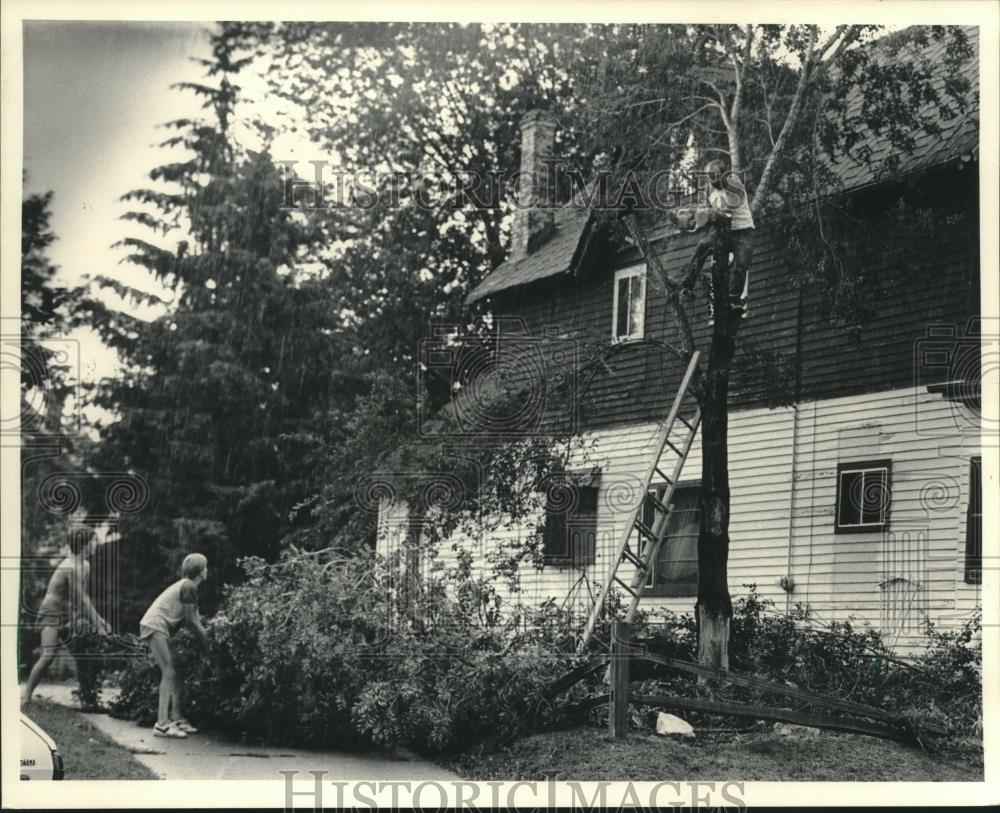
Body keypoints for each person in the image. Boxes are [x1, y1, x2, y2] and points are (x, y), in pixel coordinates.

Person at [21, 529, 112, 705]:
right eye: (94, 541)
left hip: (66, 614)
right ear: (84, 544)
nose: (97, 544)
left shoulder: (85, 565)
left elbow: (82, 599)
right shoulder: (69, 566)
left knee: (82, 654)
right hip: (51, 612)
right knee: (48, 655)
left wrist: (99, 620)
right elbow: (82, 598)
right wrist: (98, 624)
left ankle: (88, 699)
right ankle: (26, 698)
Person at [139, 553, 210, 738]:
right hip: (155, 625)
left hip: (160, 627)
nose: (207, 570)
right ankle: (161, 725)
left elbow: (196, 618)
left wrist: (208, 630)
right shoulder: (189, 586)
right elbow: (191, 622)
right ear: (200, 570)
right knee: (168, 671)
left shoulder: (190, 587)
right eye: (206, 567)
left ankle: (176, 717)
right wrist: (209, 642)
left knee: (177, 672)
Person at [679, 159, 757, 318]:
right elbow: (708, 211)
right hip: (726, 231)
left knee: (741, 263)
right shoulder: (709, 188)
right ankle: (687, 285)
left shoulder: (734, 185)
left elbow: (726, 215)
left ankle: (734, 300)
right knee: (703, 245)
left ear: (725, 174)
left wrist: (708, 214)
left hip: (743, 231)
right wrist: (691, 214)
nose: (713, 181)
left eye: (716, 177)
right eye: (710, 177)